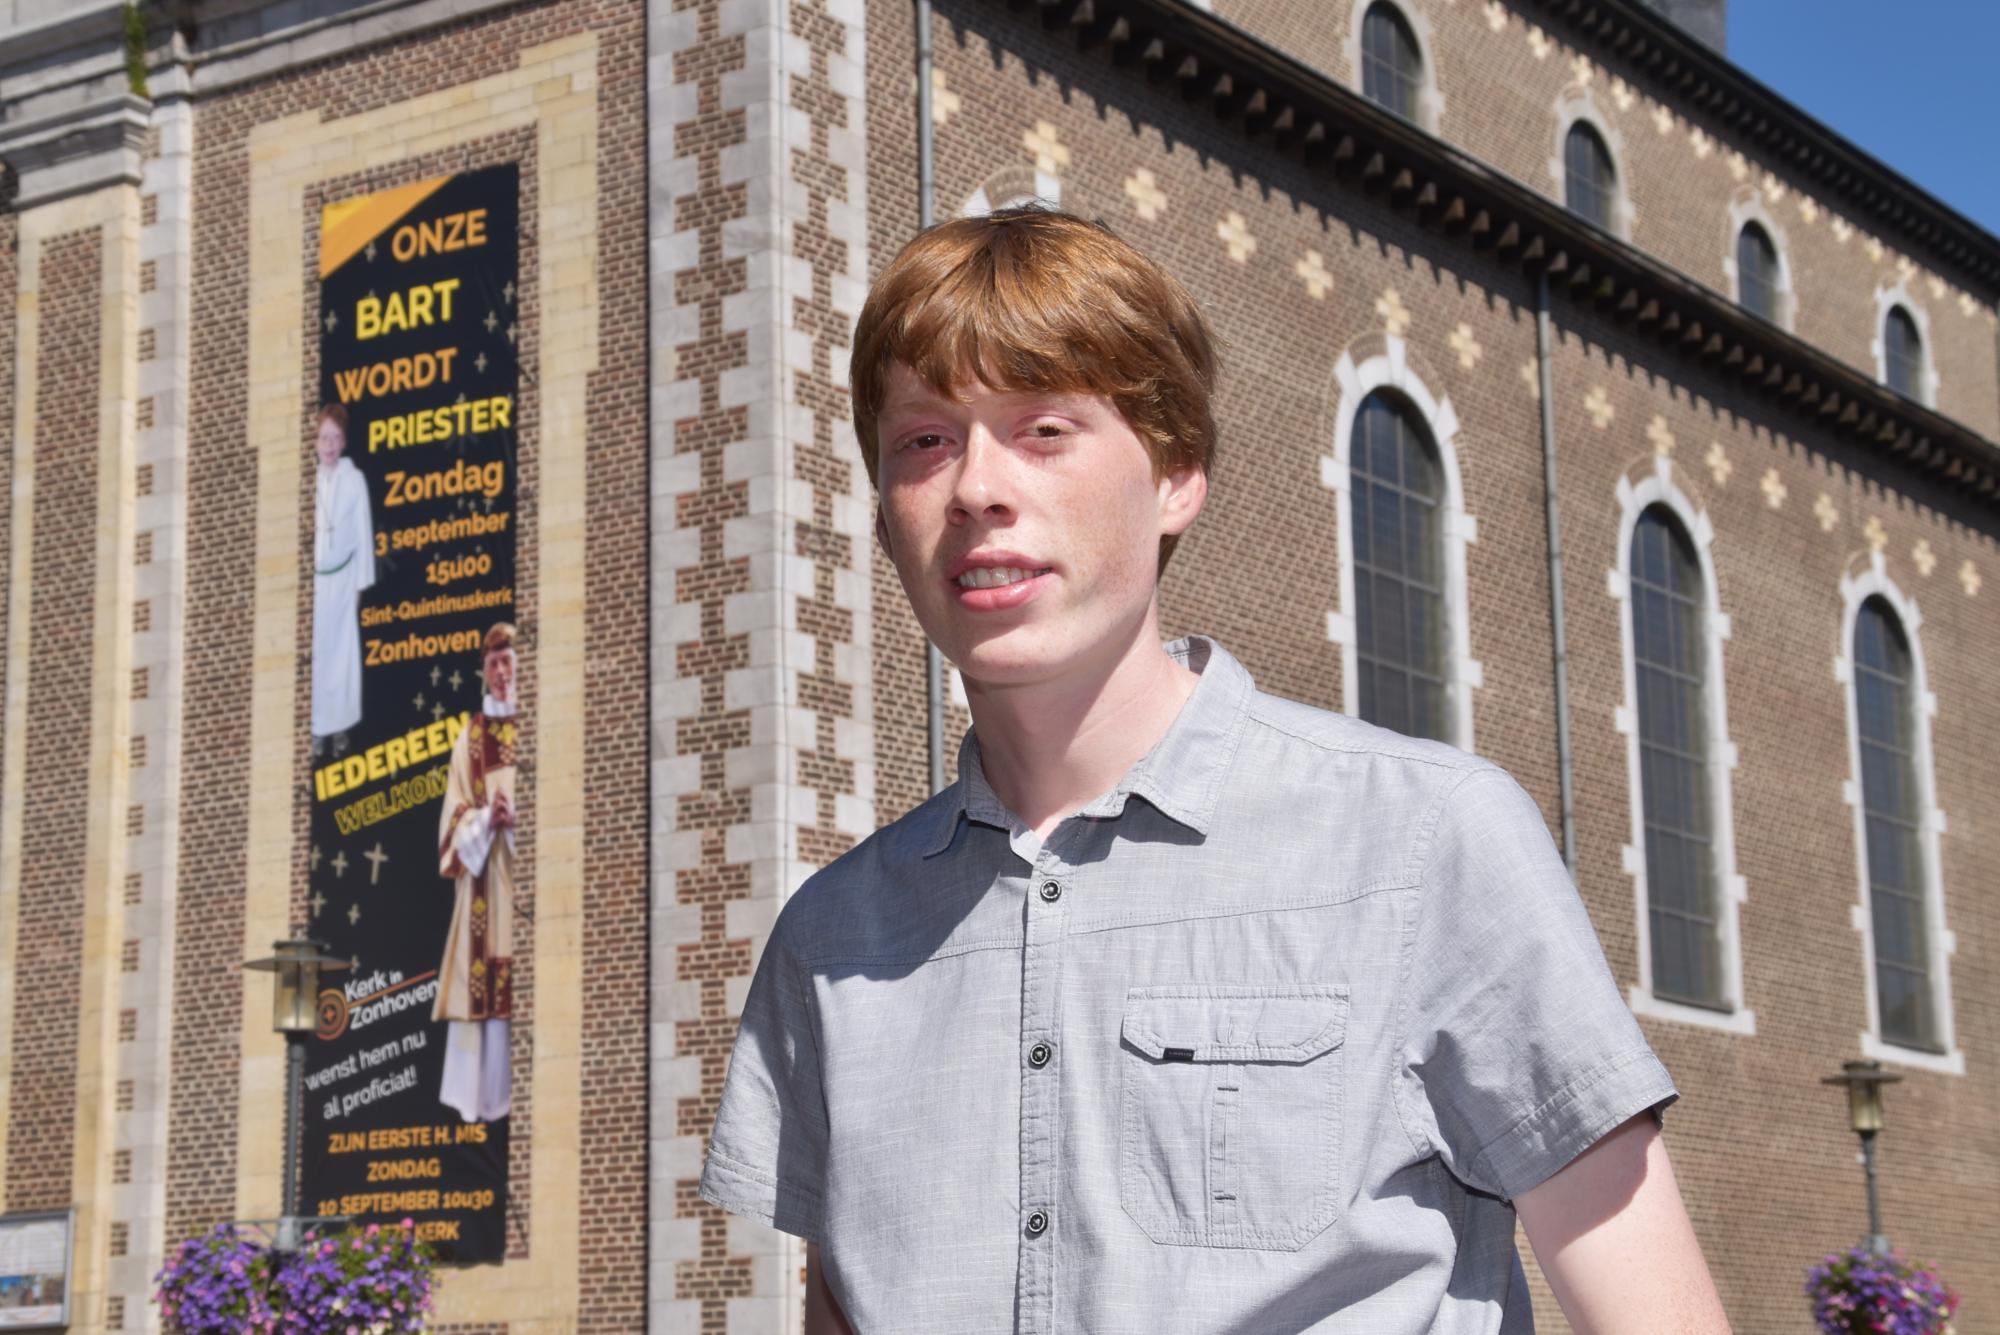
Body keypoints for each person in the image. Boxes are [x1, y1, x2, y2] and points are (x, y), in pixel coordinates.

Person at [699, 207, 1732, 1333]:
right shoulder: (833, 942)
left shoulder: (1425, 840)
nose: (976, 487)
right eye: (924, 441)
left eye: (1042, 429)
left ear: (1177, 475)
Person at [433, 621, 521, 1124]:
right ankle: (480, 1105)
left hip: (526, 886)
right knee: (482, 989)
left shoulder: (537, 722)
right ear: (484, 673)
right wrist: (491, 817)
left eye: (509, 661)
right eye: (494, 664)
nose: (503, 672)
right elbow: (453, 816)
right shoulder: (471, 738)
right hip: (486, 879)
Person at [311, 402, 375, 756]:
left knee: (342, 656)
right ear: (316, 441)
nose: (330, 444)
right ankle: (318, 730)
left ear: (344, 442)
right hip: (318, 582)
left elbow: (363, 532)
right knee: (318, 656)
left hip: (344, 579)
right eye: (324, 438)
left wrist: (359, 584)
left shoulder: (354, 480)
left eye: (336, 438)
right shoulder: (311, 480)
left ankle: (340, 730)